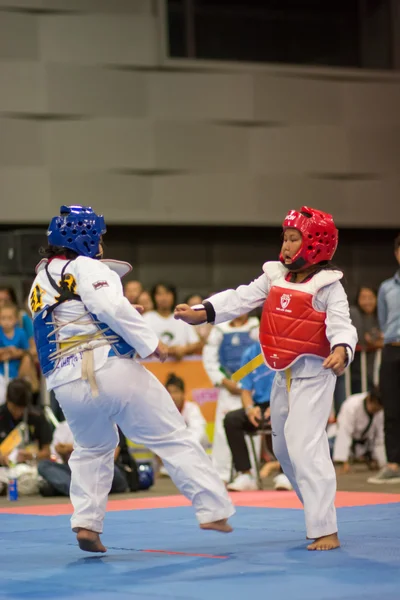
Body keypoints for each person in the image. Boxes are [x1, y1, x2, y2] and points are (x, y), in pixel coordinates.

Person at [29, 205, 234, 553]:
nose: (102, 245)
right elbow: (111, 308)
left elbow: (80, 316)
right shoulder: (88, 266)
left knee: (93, 448)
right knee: (171, 435)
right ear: (86, 237)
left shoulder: (41, 279)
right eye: (100, 237)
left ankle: (87, 523)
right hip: (108, 370)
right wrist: (152, 344)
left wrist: (123, 314)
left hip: (66, 383)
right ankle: (213, 509)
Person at [175, 206, 357, 551]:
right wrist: (204, 312)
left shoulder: (329, 286)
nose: (286, 246)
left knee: (305, 444)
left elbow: (342, 323)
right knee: (285, 451)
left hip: (315, 373)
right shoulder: (274, 276)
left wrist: (342, 349)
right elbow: (241, 297)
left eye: (294, 239)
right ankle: (318, 513)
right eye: (285, 238)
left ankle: (326, 528)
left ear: (316, 244)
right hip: (281, 376)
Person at [202, 314, 259, 483]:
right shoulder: (220, 329)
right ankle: (221, 475)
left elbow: (262, 355)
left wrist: (245, 382)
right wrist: (224, 381)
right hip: (228, 388)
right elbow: (209, 359)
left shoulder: (256, 327)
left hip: (250, 390)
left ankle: (250, 475)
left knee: (252, 430)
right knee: (221, 430)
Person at [224, 340, 280, 491]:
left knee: (286, 416)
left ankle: (285, 473)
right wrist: (249, 409)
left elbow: (292, 384)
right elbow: (245, 390)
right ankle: (245, 474)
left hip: (283, 402)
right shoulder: (251, 353)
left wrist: (277, 406)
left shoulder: (286, 349)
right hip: (259, 407)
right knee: (231, 420)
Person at [368, 233, 400, 484]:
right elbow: (383, 320)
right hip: (391, 349)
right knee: (391, 408)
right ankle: (393, 464)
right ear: (396, 253)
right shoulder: (387, 287)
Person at [38, 421, 129, 496]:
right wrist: (63, 453)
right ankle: (77, 490)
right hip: (77, 472)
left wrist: (75, 449)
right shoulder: (65, 427)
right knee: (44, 465)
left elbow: (110, 457)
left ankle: (73, 489)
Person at [157, 373, 209, 476]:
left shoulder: (192, 408)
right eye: (169, 392)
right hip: (172, 456)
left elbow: (198, 433)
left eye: (176, 392)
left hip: (193, 453)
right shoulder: (162, 412)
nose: (173, 396)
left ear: (183, 393)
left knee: (199, 436)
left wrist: (181, 448)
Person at [333, 386, 385, 472]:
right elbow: (344, 432)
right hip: (339, 439)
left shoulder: (380, 411)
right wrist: (343, 461)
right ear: (369, 399)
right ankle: (342, 458)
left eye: (379, 409)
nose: (376, 411)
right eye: (375, 408)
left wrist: (381, 461)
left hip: (364, 444)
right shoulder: (351, 405)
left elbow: (380, 437)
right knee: (328, 451)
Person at [0, 378, 52, 467]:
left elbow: (47, 452)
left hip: (31, 468)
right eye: (14, 408)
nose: (17, 412)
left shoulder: (37, 416)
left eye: (21, 409)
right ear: (7, 398)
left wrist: (32, 456)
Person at [144, 283, 202, 360]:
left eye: (167, 293)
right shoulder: (146, 318)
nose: (164, 298)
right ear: (153, 297)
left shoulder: (183, 316)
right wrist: (168, 350)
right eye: (160, 294)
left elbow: (196, 343)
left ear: (173, 296)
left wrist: (184, 349)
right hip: (153, 365)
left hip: (181, 366)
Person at [350, 287, 382, 394]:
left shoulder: (379, 315)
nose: (367, 301)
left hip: (376, 372)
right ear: (357, 299)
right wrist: (379, 341)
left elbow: (386, 335)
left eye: (371, 297)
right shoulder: (354, 313)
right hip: (357, 373)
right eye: (363, 298)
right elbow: (363, 338)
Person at [0, 303, 31, 404]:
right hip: (1, 372)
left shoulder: (20, 333)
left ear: (16, 319)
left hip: (16, 371)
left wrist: (15, 353)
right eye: (3, 318)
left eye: (10, 318)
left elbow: (26, 351)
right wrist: (4, 351)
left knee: (14, 397)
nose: (6, 322)